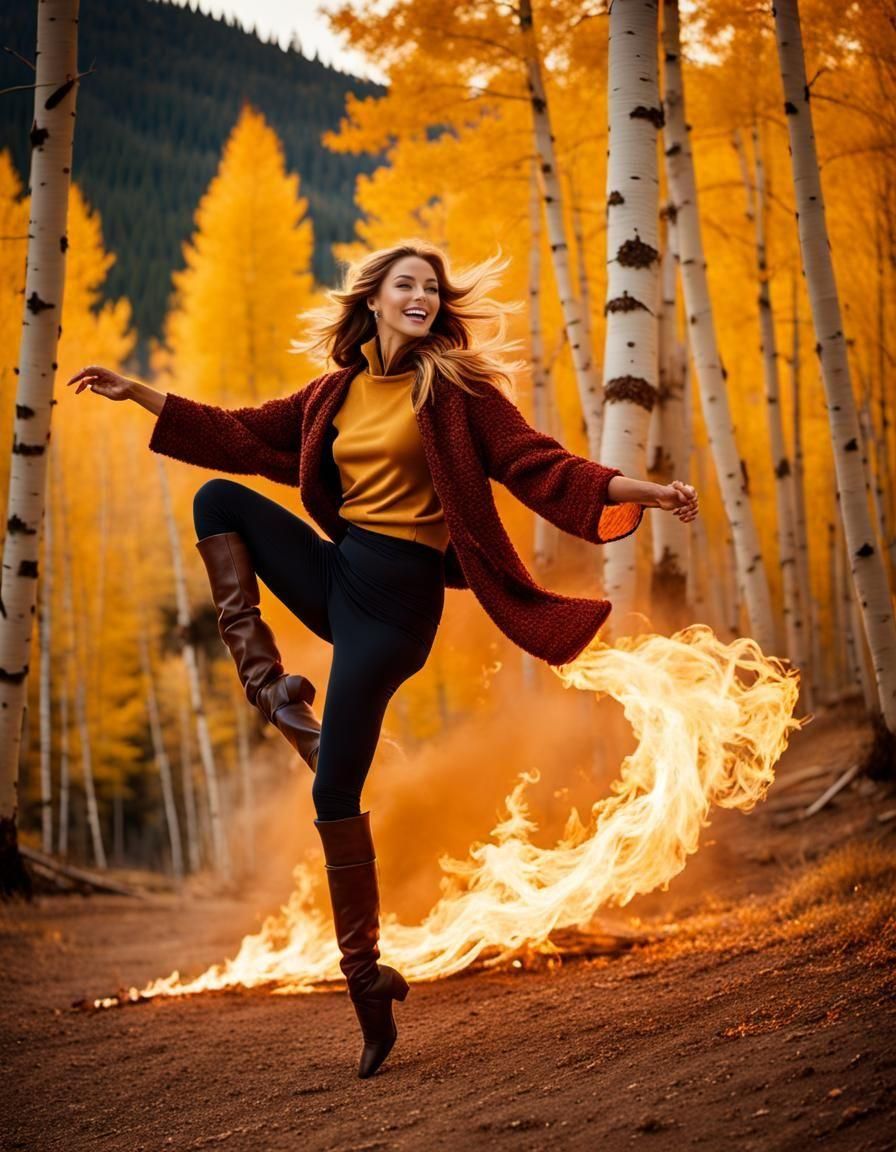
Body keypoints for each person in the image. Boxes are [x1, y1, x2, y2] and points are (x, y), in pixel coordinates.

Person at [66, 240, 698, 1079]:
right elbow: (237, 433)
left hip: (397, 604)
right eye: (407, 285)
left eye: (432, 289)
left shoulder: (458, 389)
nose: (423, 298)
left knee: (334, 788)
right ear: (372, 298)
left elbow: (535, 464)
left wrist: (640, 491)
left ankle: (368, 987)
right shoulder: (336, 393)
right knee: (217, 497)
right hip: (340, 571)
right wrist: (137, 393)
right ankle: (278, 697)